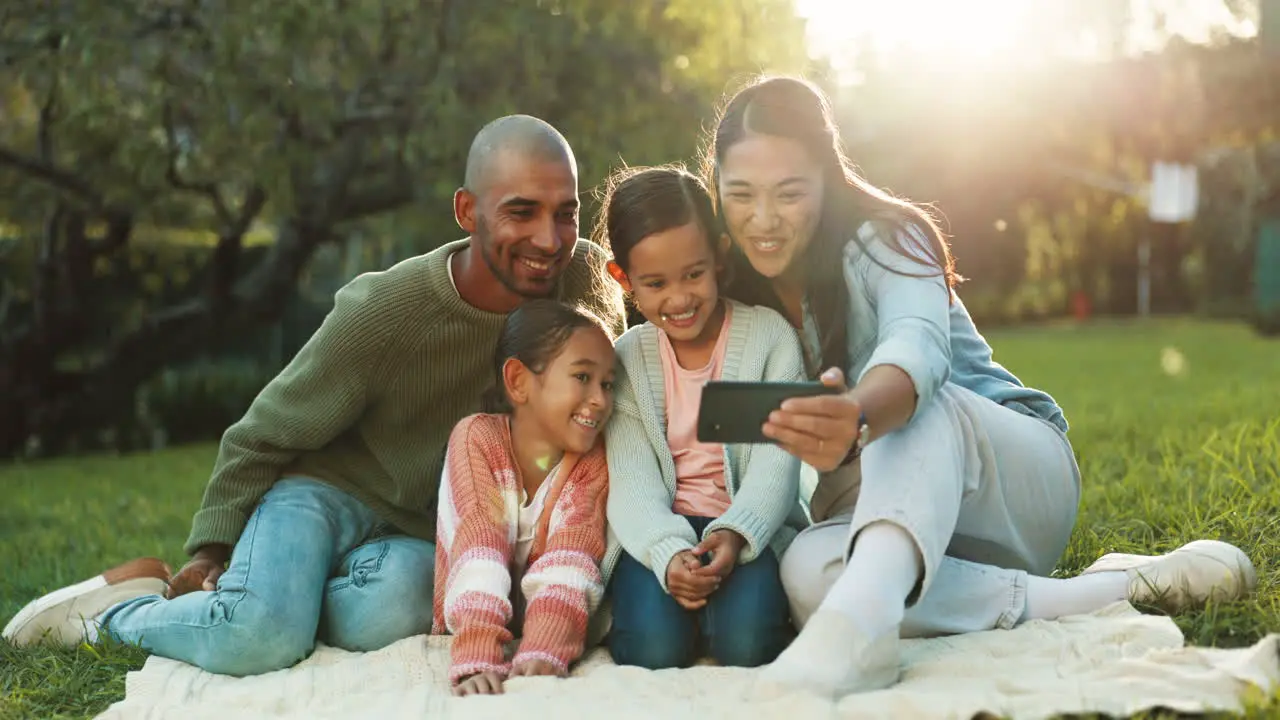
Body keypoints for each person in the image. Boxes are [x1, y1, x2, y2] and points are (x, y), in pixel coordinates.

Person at [2, 115, 627, 676]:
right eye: (522, 212)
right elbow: (264, 431)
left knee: (396, 614)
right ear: (467, 211)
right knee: (261, 638)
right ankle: (121, 610)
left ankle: (273, 596)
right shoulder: (387, 309)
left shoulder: (588, 286)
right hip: (324, 493)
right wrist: (211, 550)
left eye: (565, 212)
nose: (549, 238)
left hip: (412, 533)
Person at [698, 76, 1257, 698]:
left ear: (827, 181)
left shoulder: (887, 238)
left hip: (1010, 485)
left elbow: (914, 349)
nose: (764, 219)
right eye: (740, 194)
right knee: (806, 570)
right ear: (717, 190)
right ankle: (1118, 588)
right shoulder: (734, 297)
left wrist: (856, 413)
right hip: (894, 529)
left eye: (790, 193)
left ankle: (859, 638)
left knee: (914, 410)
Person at [596, 165, 807, 670]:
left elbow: (776, 465)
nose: (680, 298)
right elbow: (630, 478)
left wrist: (734, 533)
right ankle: (672, 618)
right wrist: (668, 553)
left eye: (694, 274)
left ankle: (721, 618)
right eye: (655, 283)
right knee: (653, 651)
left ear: (719, 255)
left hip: (743, 526)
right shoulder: (626, 358)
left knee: (749, 645)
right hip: (659, 531)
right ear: (623, 279)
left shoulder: (767, 339)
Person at [434, 299, 616, 696]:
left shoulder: (591, 462)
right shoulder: (476, 440)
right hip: (475, 615)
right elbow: (481, 541)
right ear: (518, 381)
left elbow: (572, 552)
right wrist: (478, 650)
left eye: (607, 383)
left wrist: (545, 648)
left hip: (554, 620)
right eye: (582, 376)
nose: (601, 399)